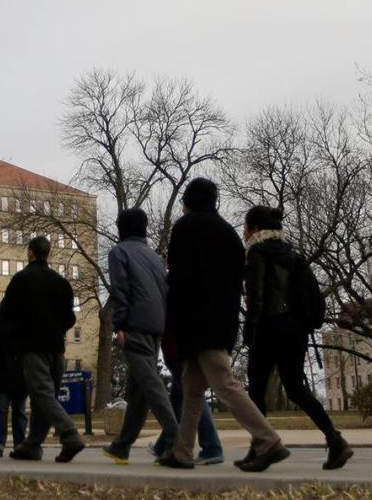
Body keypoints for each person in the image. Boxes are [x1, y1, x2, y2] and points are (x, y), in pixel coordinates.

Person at [158, 178, 289, 472]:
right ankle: (181, 451)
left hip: (196, 322)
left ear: (189, 202)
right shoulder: (230, 236)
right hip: (223, 320)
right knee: (192, 391)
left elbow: (178, 279)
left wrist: (174, 321)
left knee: (225, 384)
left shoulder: (185, 227)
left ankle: (268, 440)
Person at [243, 205, 353, 470]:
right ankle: (335, 439)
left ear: (255, 229)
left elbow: (257, 298)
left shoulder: (257, 253)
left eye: (245, 227)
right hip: (296, 330)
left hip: (269, 328)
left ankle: (262, 448)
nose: (243, 232)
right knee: (295, 388)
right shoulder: (292, 254)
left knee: (256, 390)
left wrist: (250, 332)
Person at [101, 209, 179, 465]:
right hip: (157, 324)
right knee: (139, 390)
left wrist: (119, 324)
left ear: (122, 228)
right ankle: (122, 445)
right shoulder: (155, 258)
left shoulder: (119, 252)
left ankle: (174, 435)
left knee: (150, 382)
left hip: (134, 323)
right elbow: (164, 291)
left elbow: (120, 289)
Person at [1, 235, 85, 463]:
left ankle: (70, 435)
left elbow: (7, 314)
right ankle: (32, 444)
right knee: (44, 397)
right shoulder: (61, 283)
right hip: (56, 348)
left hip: (32, 346)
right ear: (47, 253)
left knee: (43, 395)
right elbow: (69, 318)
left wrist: (13, 341)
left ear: (30, 252)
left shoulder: (21, 279)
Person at [149, 321, 224, 465]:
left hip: (179, 351)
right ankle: (163, 445)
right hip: (178, 350)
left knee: (194, 397)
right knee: (177, 401)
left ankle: (212, 447)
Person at [0, 311, 28, 458]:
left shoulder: (1, 327)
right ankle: (16, 443)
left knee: (4, 410)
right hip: (11, 373)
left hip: (7, 373)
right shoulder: (20, 328)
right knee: (14, 410)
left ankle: (3, 443)